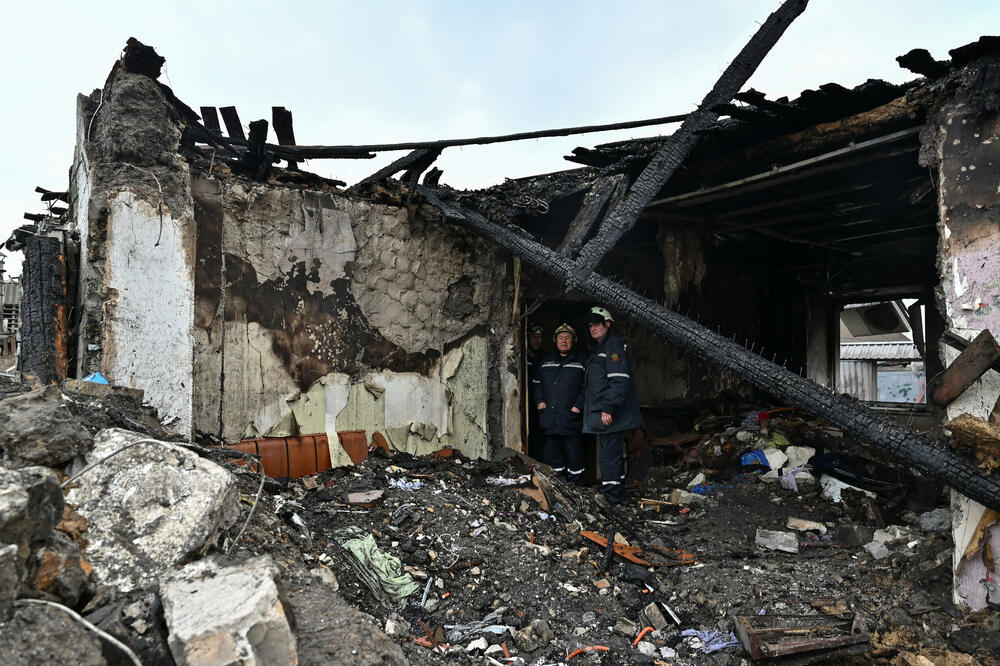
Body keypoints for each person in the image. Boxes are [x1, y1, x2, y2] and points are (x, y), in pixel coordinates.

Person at [583, 306, 641, 505]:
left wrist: (608, 408)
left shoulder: (613, 346)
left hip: (611, 415)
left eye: (597, 324)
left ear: (608, 324)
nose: (593, 328)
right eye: (590, 325)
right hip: (608, 413)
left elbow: (619, 380)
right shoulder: (602, 347)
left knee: (609, 456)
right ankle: (616, 492)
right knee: (612, 454)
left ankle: (611, 498)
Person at [533, 324, 586, 484]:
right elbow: (536, 383)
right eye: (561, 338)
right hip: (551, 420)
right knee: (554, 461)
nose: (564, 341)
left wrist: (578, 405)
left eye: (567, 338)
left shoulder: (581, 362)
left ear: (573, 341)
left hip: (571, 420)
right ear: (555, 340)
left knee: (575, 459)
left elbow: (588, 387)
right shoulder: (546, 361)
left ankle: (577, 493)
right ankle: (558, 491)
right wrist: (540, 401)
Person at [525, 323, 546, 460]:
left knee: (539, 441)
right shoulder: (522, 356)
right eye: (533, 337)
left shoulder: (545, 358)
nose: (536, 340)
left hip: (540, 406)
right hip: (526, 406)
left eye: (539, 337)